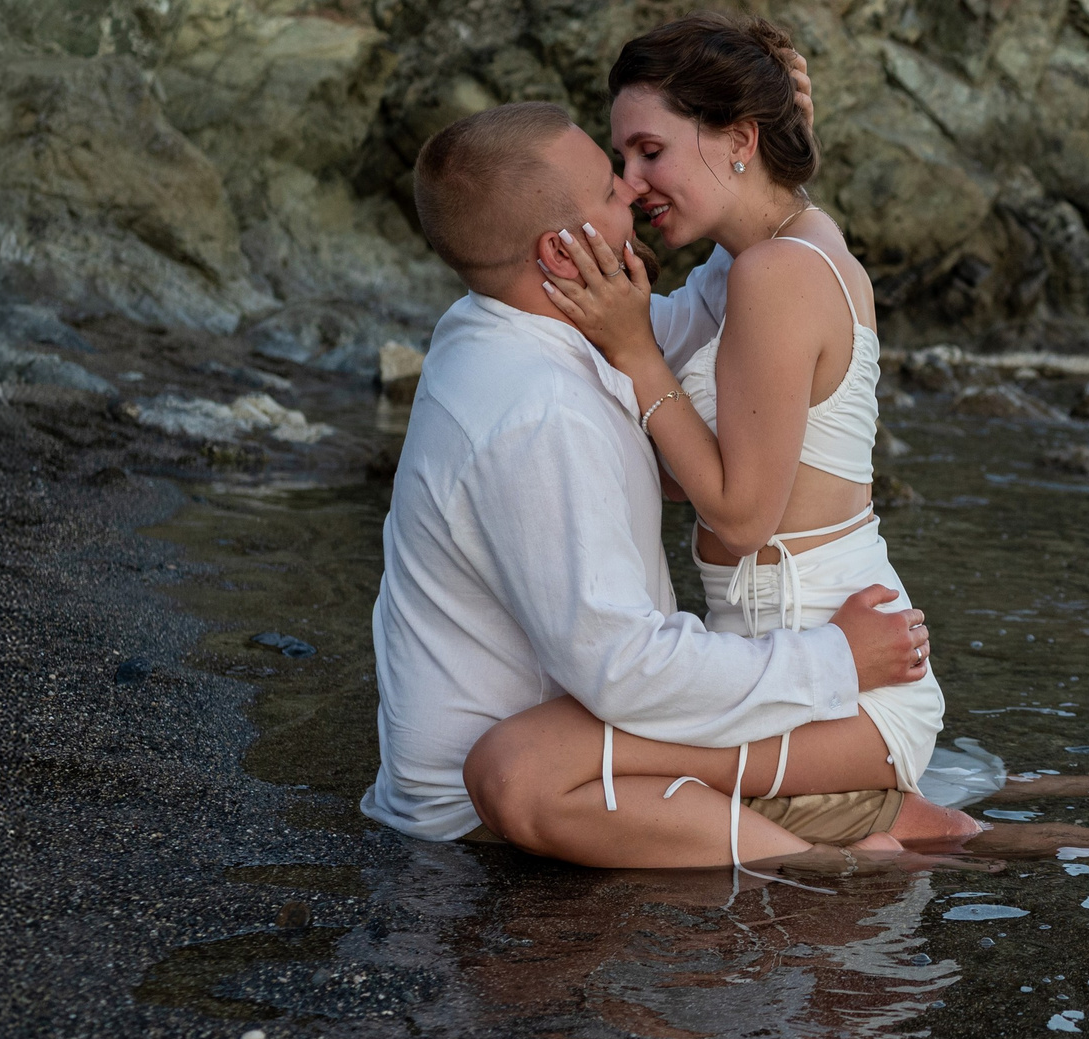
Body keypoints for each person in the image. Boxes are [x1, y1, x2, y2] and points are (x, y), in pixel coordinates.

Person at [361, 94, 950, 867]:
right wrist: (839, 658)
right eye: (611, 188)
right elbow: (624, 669)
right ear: (561, 252)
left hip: (582, 739)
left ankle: (892, 828)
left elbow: (701, 310)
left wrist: (760, 164)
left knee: (881, 798)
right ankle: (833, 872)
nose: (633, 191)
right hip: (503, 802)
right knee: (872, 825)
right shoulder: (540, 412)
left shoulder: (510, 319)